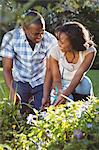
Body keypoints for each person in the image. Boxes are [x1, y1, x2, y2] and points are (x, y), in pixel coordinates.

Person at [0, 10, 57, 114]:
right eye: (36, 34)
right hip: (20, 81)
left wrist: (47, 95)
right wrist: (13, 92)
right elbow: (7, 69)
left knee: (42, 113)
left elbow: (51, 69)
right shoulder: (10, 38)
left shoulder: (50, 40)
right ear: (24, 29)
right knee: (17, 113)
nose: (40, 36)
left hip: (41, 81)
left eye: (42, 32)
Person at [42, 21, 97, 108]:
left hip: (79, 82)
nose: (59, 44)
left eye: (62, 42)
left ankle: (86, 110)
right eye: (58, 40)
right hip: (62, 83)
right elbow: (56, 79)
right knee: (60, 101)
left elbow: (79, 74)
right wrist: (60, 93)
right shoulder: (55, 51)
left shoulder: (89, 52)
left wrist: (66, 94)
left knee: (85, 84)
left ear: (74, 42)